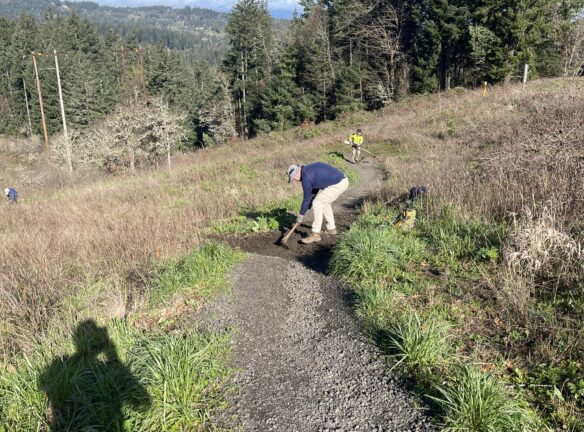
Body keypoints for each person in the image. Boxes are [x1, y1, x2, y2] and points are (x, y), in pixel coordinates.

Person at [287, 162, 349, 244]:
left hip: (338, 183)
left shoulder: (306, 177)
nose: (295, 180)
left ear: (296, 174)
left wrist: (301, 216)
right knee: (324, 202)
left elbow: (306, 199)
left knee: (317, 203)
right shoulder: (307, 171)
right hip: (342, 180)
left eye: (293, 178)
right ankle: (331, 228)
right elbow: (312, 192)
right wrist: (308, 205)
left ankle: (315, 234)